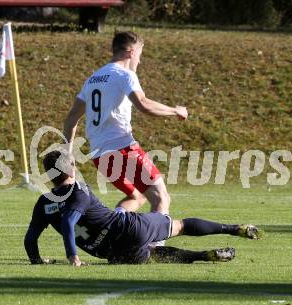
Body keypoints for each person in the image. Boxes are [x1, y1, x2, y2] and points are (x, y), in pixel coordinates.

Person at [24, 150, 259, 266]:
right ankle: (232, 229)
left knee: (154, 255)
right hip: (130, 229)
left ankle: (202, 257)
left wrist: (37, 261)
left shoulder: (44, 202)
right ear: (72, 169)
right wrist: (72, 256)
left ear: (49, 175)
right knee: (180, 226)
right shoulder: (79, 190)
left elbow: (30, 239)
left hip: (111, 253)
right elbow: (68, 221)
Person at [63, 31, 188, 216]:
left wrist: (67, 153)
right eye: (140, 55)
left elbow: (71, 118)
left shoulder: (92, 79)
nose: (140, 61)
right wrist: (175, 110)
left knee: (136, 196)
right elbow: (143, 105)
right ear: (131, 52)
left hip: (100, 155)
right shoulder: (125, 75)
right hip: (122, 149)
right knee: (161, 197)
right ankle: (155, 245)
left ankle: (115, 232)